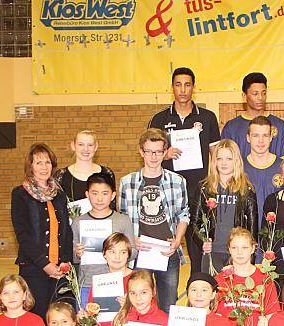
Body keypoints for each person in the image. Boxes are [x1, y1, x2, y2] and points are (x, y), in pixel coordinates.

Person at [148, 67, 220, 273]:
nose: (183, 90)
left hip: (198, 191)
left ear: (193, 88)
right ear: (172, 88)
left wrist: (214, 184)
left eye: (187, 85)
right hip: (167, 193)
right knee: (166, 246)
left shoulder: (207, 117)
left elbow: (215, 154)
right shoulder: (159, 119)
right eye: (178, 85)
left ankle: (197, 285)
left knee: (198, 244)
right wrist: (164, 154)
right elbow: (148, 154)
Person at [118, 128, 190, 312]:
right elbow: (122, 217)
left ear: (165, 152)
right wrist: (131, 239)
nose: (153, 156)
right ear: (141, 151)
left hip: (168, 252)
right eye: (149, 151)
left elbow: (184, 214)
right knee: (139, 305)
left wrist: (177, 240)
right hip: (140, 252)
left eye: (158, 151)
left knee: (168, 306)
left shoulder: (177, 181)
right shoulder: (127, 182)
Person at [11, 142, 74, 319]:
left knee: (60, 318)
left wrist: (65, 262)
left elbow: (66, 231)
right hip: (34, 269)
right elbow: (22, 235)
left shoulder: (59, 195)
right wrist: (45, 265)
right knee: (37, 318)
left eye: (47, 162)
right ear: (30, 166)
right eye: (39, 162)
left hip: (60, 270)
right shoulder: (20, 194)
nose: (44, 167)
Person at [195, 139, 258, 272]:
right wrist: (202, 241)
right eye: (219, 158)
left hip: (237, 254)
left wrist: (250, 254)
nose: (223, 163)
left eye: (228, 158)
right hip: (213, 252)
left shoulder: (246, 190)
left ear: (236, 161)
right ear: (214, 161)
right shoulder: (204, 188)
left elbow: (253, 227)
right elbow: (196, 221)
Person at [71, 174, 135, 302]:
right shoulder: (78, 222)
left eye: (105, 193)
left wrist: (121, 251)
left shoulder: (123, 220)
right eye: (94, 193)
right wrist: (77, 253)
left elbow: (133, 252)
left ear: (112, 195)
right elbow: (73, 259)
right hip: (88, 284)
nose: (99, 198)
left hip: (118, 282)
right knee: (88, 321)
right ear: (87, 194)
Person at [220, 72, 284, 158]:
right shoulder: (231, 128)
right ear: (244, 96)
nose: (260, 98)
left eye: (263, 93)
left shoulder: (280, 126)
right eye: (255, 94)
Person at [55, 130, 116, 205]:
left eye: (90, 145)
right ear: (73, 146)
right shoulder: (61, 175)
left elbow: (112, 206)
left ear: (96, 146)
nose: (86, 149)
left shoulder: (107, 173)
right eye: (81, 144)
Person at [243, 116, 284, 219]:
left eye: (265, 135)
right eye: (255, 135)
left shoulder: (283, 167)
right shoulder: (239, 168)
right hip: (246, 232)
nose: (261, 141)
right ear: (248, 138)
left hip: (277, 232)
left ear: (271, 137)